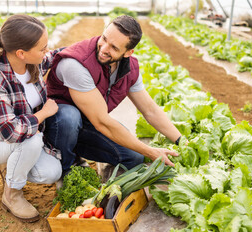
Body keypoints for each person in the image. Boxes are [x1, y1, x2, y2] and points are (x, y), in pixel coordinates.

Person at [44, 15, 182, 176]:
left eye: (114, 48)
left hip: (89, 124)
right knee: (69, 117)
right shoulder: (75, 64)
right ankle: (66, 168)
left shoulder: (129, 70)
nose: (104, 49)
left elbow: (150, 110)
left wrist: (181, 141)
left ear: (128, 52)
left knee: (136, 157)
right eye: (104, 39)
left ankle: (81, 155)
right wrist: (150, 151)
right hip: (58, 127)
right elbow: (102, 122)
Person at [0, 15, 62, 222]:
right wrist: (43, 113)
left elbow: (57, 55)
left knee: (51, 173)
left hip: (16, 138)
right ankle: (11, 195)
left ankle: (11, 164)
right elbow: (11, 131)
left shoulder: (34, 64)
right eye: (42, 48)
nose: (46, 51)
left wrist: (95, 45)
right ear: (21, 53)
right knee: (30, 140)